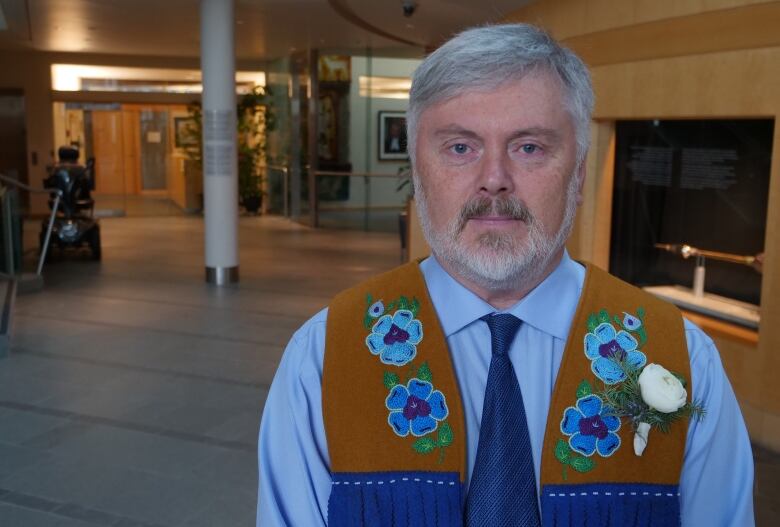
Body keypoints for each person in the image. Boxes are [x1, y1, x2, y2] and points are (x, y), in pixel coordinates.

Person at [257, 24, 754, 526]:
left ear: (578, 175)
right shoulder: (323, 358)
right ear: (417, 170)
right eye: (459, 148)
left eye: (530, 147)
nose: (494, 179)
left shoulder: (683, 359)